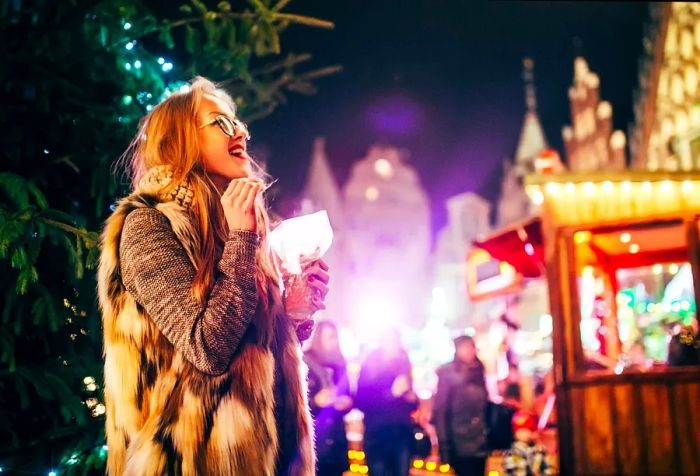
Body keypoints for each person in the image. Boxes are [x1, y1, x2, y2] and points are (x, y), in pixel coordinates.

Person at [97, 77, 330, 475]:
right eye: (221, 123)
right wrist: (242, 238)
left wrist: (293, 314)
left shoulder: (240, 227)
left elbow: (254, 357)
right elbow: (208, 349)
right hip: (191, 462)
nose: (240, 131)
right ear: (179, 140)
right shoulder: (149, 226)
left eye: (237, 122)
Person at [355, 329, 417, 476]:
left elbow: (410, 404)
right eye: (389, 341)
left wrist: (412, 398)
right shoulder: (370, 366)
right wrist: (391, 394)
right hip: (377, 437)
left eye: (395, 342)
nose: (393, 346)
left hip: (402, 435)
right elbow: (361, 402)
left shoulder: (404, 363)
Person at [432, 335, 489, 476]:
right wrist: (444, 446)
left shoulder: (478, 370)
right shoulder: (448, 373)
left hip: (480, 439)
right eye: (464, 347)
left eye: (471, 347)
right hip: (459, 440)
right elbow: (441, 411)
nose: (469, 351)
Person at [303, 321, 352, 476]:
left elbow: (349, 395)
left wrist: (346, 403)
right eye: (329, 336)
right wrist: (315, 402)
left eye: (334, 336)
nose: (333, 341)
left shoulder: (339, 363)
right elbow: (292, 402)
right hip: (314, 439)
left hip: (336, 438)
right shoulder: (305, 362)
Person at [502, 411, 553, 476]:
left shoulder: (540, 451)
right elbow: (509, 471)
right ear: (515, 434)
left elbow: (548, 468)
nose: (525, 434)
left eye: (528, 430)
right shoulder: (511, 453)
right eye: (521, 431)